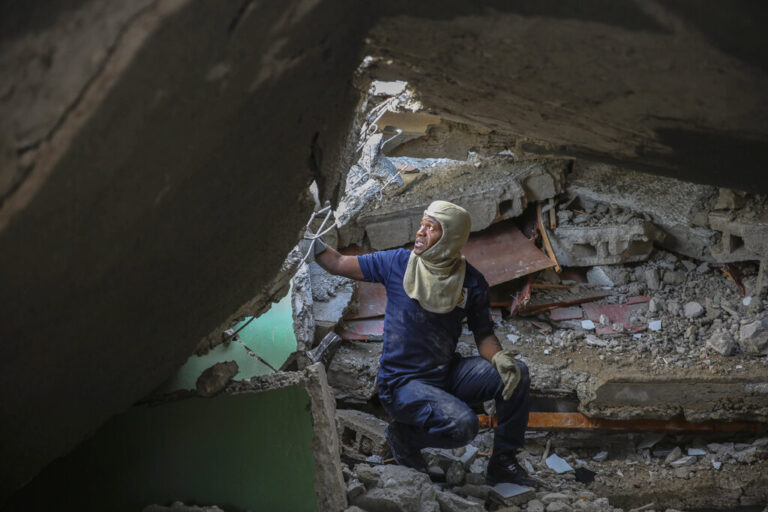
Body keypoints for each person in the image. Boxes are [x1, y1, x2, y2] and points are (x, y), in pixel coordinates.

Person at [309, 200, 537, 487]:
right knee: (463, 424)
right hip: (402, 384)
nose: (420, 233)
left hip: (444, 375)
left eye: (431, 228)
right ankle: (405, 438)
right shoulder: (397, 263)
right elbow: (337, 263)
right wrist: (308, 239)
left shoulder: (471, 281)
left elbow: (484, 335)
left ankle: (503, 463)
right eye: (422, 225)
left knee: (516, 373)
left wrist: (500, 358)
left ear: (452, 236)